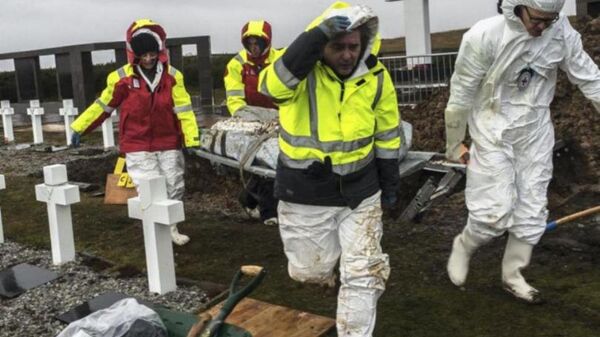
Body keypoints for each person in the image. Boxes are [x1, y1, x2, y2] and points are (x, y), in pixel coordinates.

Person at [259, 2, 400, 336]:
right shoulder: (298, 73)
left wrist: (390, 182)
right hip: (305, 192)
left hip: (361, 192)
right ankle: (330, 269)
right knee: (308, 271)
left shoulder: (377, 78)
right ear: (321, 45)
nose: (348, 55)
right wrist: (311, 40)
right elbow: (270, 87)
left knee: (364, 271)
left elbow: (388, 134)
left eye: (354, 47)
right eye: (338, 46)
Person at [445, 0, 600, 303]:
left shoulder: (560, 34)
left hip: (535, 132)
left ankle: (512, 275)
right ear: (519, 6)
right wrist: (453, 143)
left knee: (531, 212)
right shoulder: (483, 37)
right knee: (493, 213)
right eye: (538, 19)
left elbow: (590, 78)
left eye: (550, 20)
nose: (542, 27)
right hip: (492, 132)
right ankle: (463, 246)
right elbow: (461, 91)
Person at [70, 19, 200, 246]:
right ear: (134, 54)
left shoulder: (173, 76)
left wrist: (191, 137)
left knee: (174, 184)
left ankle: (171, 228)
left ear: (159, 51)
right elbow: (103, 106)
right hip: (137, 143)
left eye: (152, 54)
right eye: (144, 55)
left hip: (168, 140)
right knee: (149, 188)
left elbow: (184, 109)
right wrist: (80, 127)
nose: (148, 59)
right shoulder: (120, 78)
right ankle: (153, 233)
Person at [224, 20, 283, 226]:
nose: (254, 47)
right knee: (265, 163)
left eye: (258, 42)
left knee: (269, 163)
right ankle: (269, 213)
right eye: (250, 42)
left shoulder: (280, 60)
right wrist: (245, 118)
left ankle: (248, 199)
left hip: (279, 119)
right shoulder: (236, 64)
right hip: (251, 122)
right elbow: (234, 97)